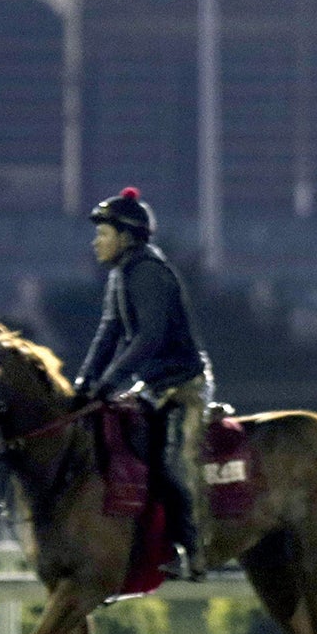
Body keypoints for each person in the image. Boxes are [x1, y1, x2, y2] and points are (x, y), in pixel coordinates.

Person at [76, 187, 214, 580]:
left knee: (175, 465)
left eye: (103, 234)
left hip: (183, 386)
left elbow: (147, 337)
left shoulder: (148, 272)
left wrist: (109, 381)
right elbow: (109, 331)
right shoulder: (122, 273)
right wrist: (86, 382)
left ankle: (195, 551)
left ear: (126, 237)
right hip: (151, 387)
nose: (96, 242)